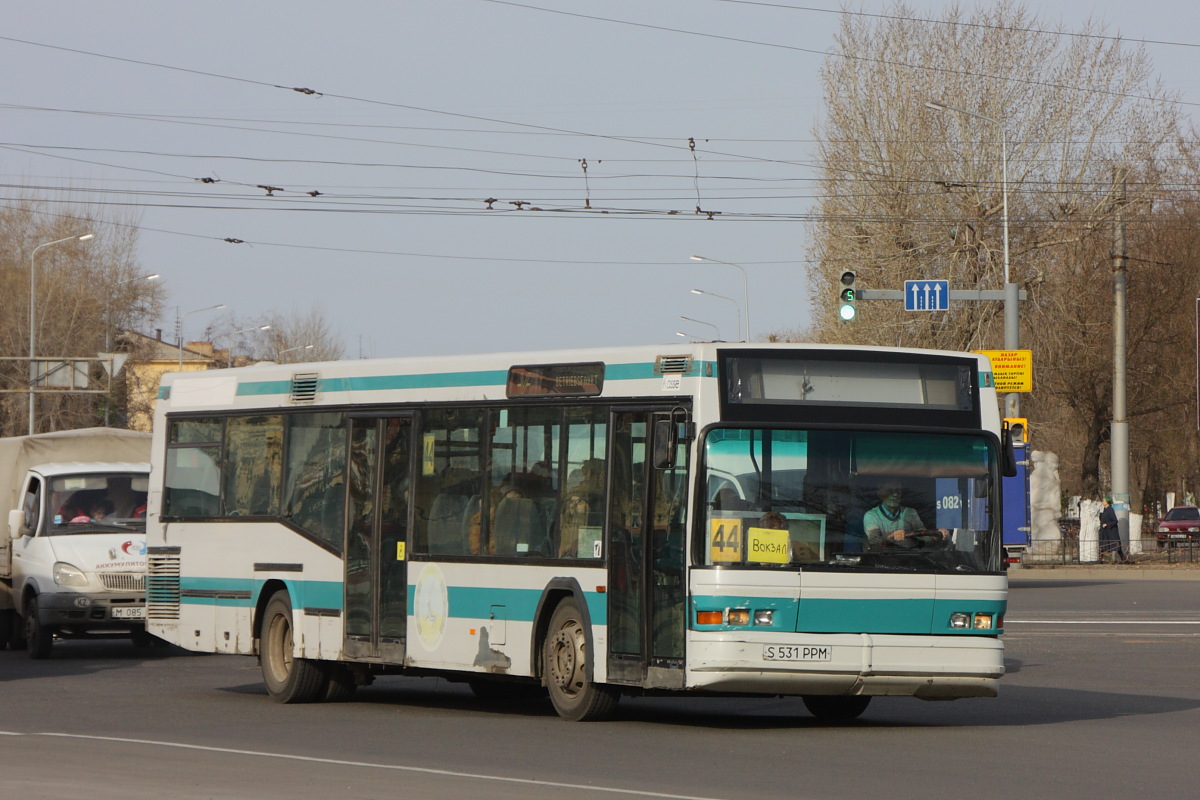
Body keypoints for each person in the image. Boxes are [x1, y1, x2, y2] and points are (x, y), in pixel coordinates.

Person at [862, 482, 944, 550]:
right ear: (880, 494)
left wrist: (936, 536)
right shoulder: (871, 516)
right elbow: (874, 542)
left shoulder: (910, 513)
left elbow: (922, 536)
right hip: (882, 562)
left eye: (897, 491)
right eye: (890, 491)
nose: (895, 495)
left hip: (911, 560)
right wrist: (891, 537)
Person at [1099, 496, 1126, 563]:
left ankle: (1122, 557)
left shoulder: (1110, 509)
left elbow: (1115, 521)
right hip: (1105, 531)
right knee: (1103, 544)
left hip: (1111, 531)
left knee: (1115, 545)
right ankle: (1100, 558)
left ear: (1107, 502)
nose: (1102, 502)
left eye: (1104, 500)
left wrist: (1107, 524)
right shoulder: (1104, 509)